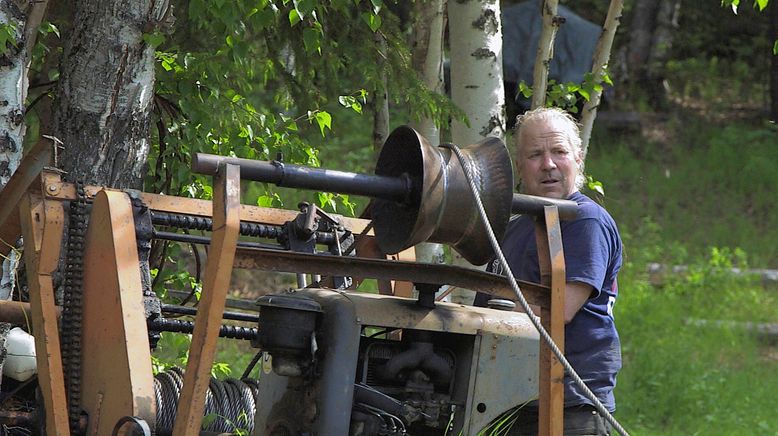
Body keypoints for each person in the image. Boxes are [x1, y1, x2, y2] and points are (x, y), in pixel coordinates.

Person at [475, 107, 623, 435]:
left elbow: (558, 310)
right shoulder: (514, 230)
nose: (548, 165)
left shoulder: (583, 220)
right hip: (518, 404)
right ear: (519, 166)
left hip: (570, 405)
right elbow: (483, 306)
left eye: (559, 152)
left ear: (578, 158)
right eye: (535, 154)